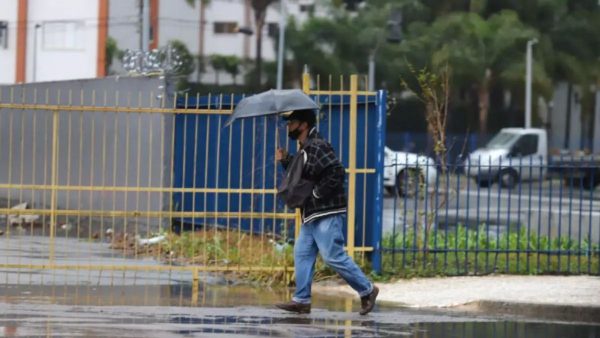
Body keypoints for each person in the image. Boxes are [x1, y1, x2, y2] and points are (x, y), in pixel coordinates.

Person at [274, 109, 379, 315]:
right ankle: (302, 300)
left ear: (303, 125)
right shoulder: (305, 147)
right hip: (311, 214)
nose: (288, 126)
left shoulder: (318, 145)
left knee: (333, 256)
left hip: (326, 212)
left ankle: (367, 289)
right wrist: (286, 160)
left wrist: (316, 194)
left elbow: (337, 172)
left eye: (292, 122)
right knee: (302, 253)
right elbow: (301, 177)